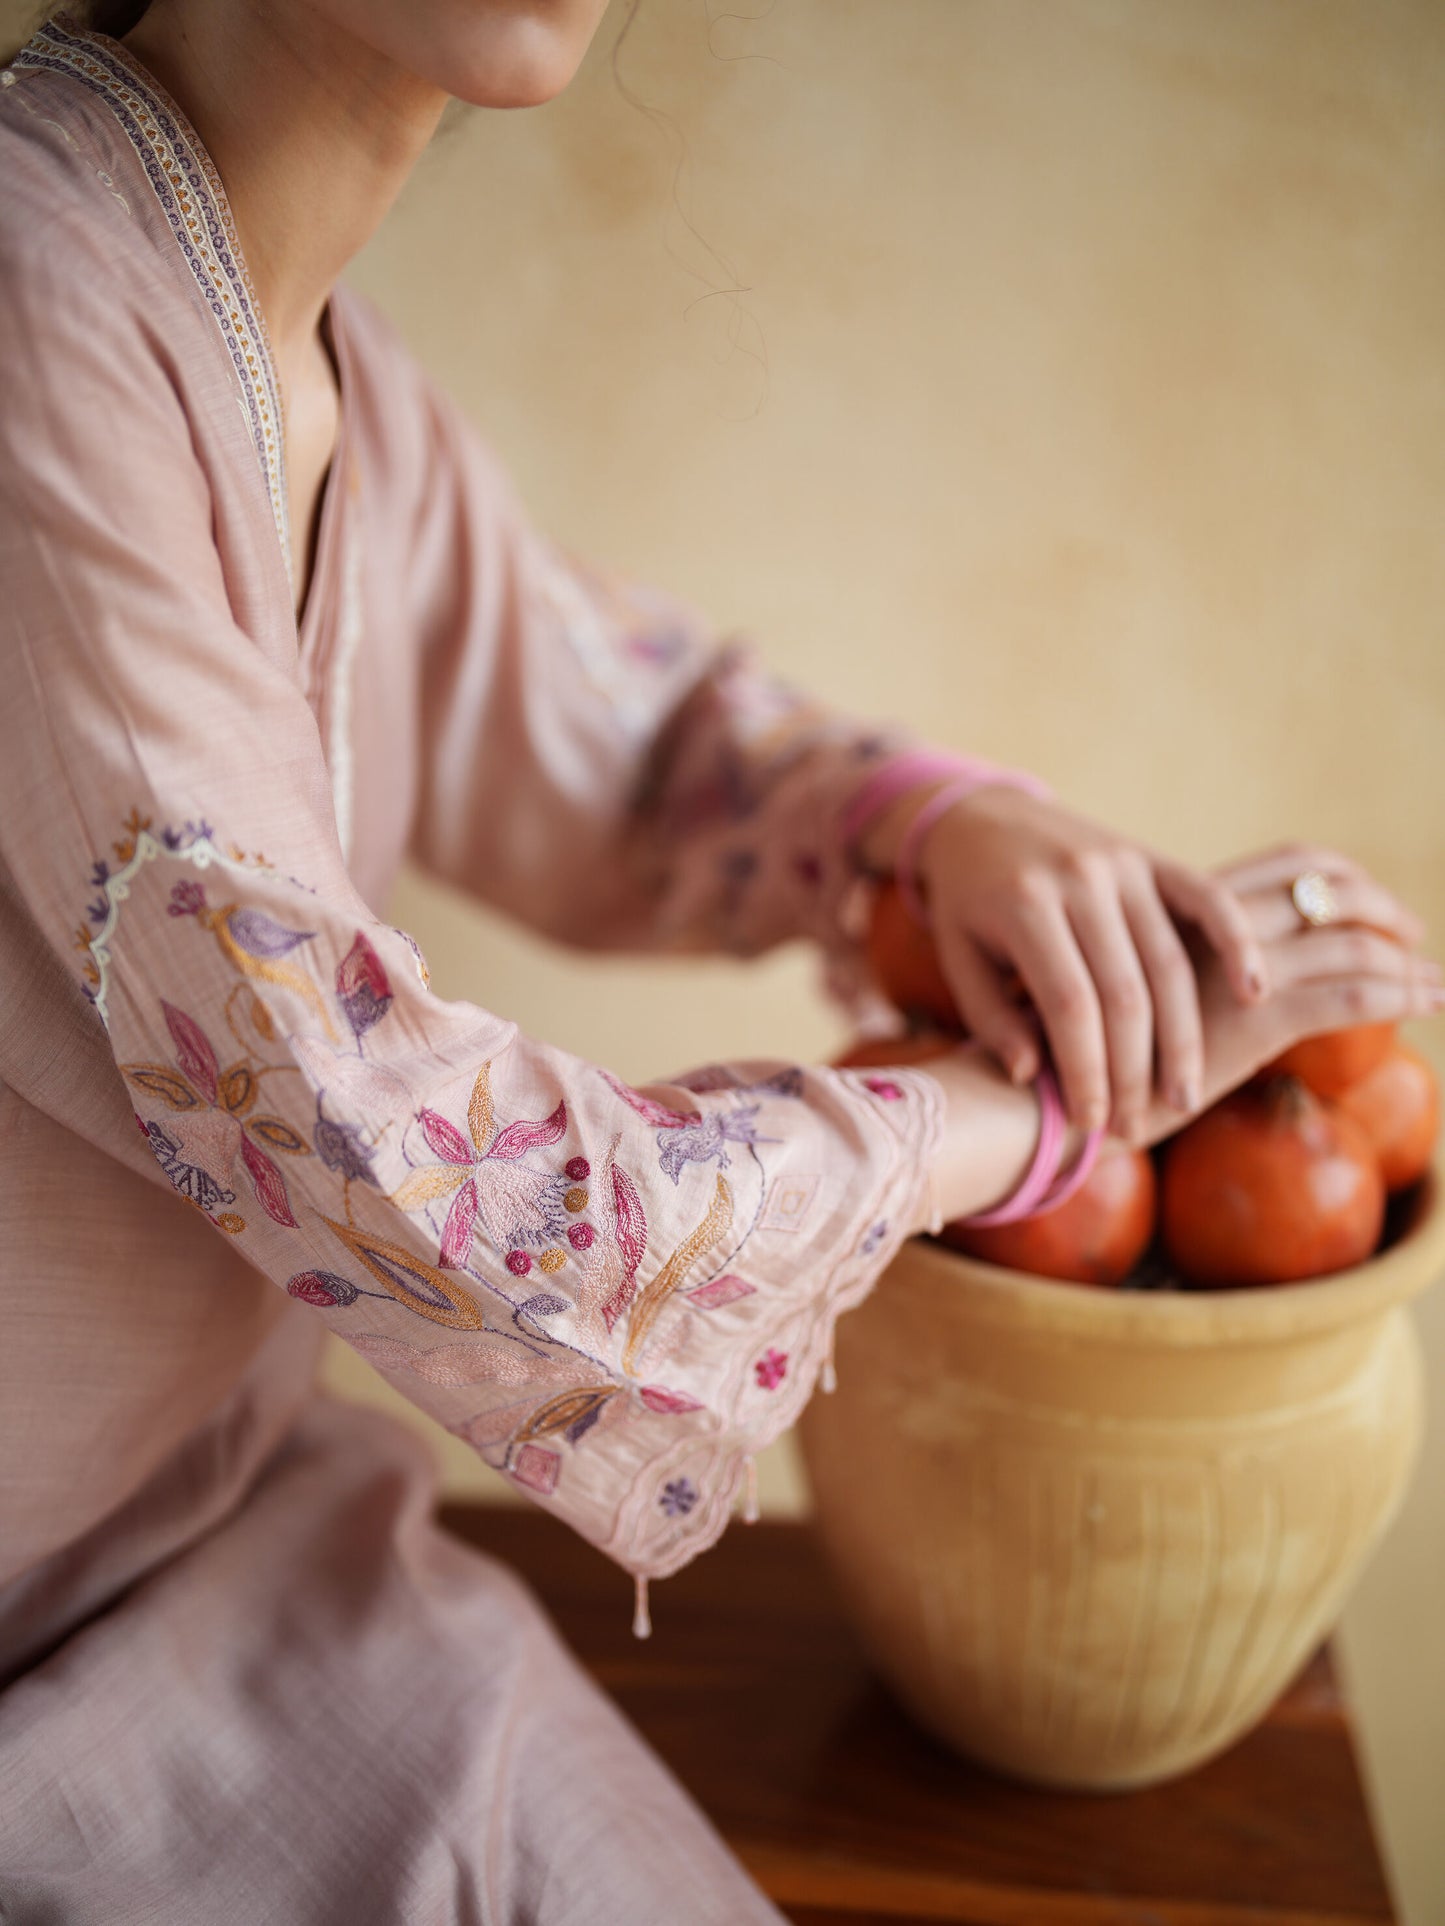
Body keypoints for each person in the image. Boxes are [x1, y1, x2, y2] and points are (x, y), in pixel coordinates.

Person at [0, 5, 1437, 1919]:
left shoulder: (343, 380)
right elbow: (396, 1156)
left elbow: (629, 743)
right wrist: (1014, 1120)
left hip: (241, 1567)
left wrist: (926, 824)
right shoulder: (39, 299)